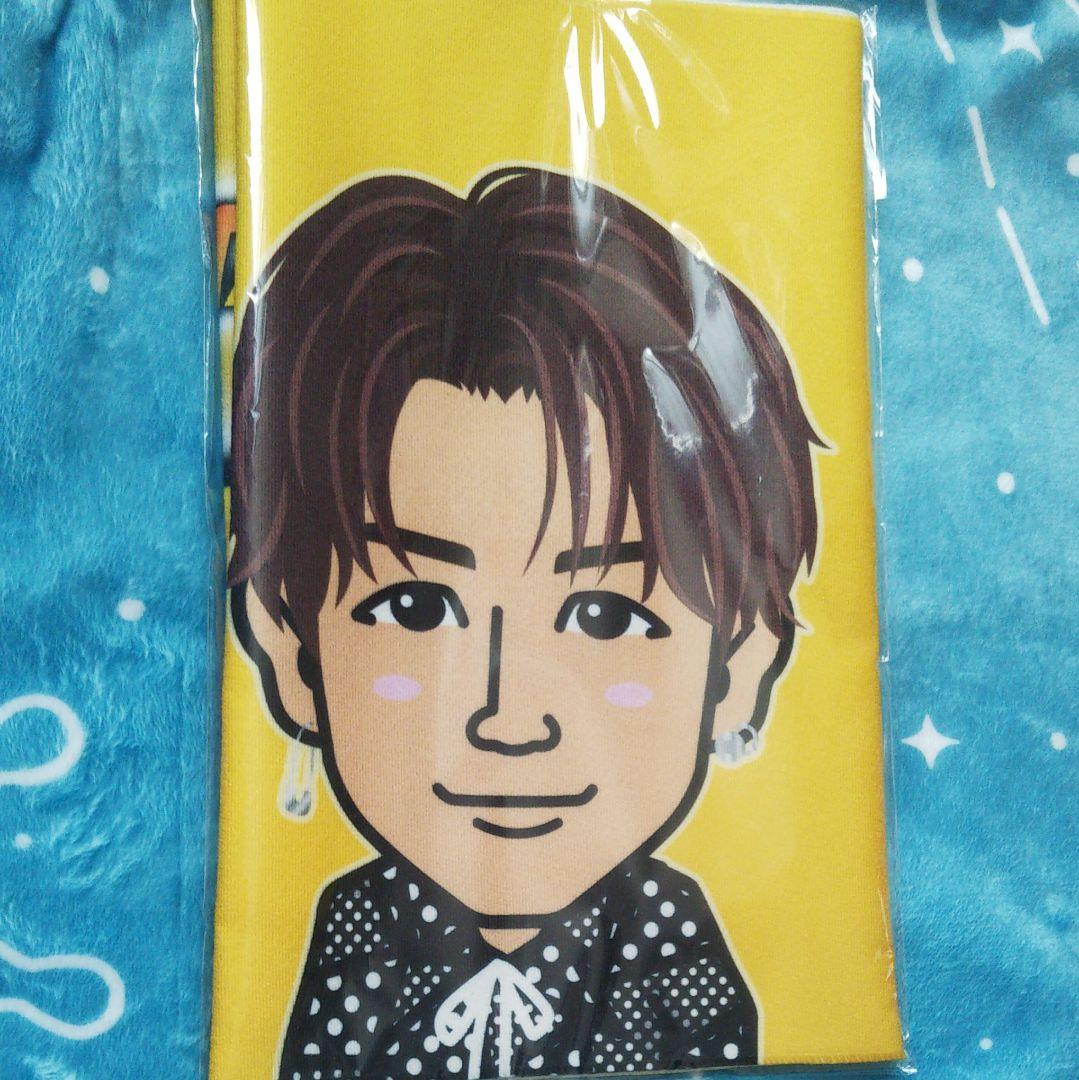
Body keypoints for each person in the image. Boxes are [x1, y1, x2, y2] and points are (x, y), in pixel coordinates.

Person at [228, 166, 821, 1079]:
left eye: (606, 616)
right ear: (285, 641)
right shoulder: (342, 944)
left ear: (740, 659)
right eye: (416, 607)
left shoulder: (680, 959)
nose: (508, 718)